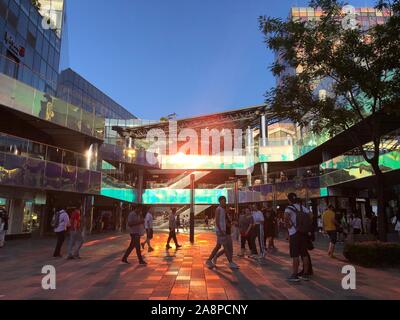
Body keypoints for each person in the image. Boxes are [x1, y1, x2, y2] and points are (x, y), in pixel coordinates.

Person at [284, 193, 312, 282]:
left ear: (289, 200)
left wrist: (288, 227)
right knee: (304, 253)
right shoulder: (302, 207)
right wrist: (305, 225)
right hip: (303, 233)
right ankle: (306, 274)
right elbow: (311, 215)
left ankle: (294, 274)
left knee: (295, 254)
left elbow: (286, 218)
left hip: (294, 233)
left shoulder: (289, 208)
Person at [205, 196, 239, 269]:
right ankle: (230, 262)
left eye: (225, 201)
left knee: (218, 246)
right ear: (220, 201)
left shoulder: (223, 209)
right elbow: (217, 221)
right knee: (225, 247)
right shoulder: (219, 209)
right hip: (220, 231)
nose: (224, 202)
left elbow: (223, 221)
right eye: (223, 201)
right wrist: (220, 230)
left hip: (222, 230)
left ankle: (209, 260)